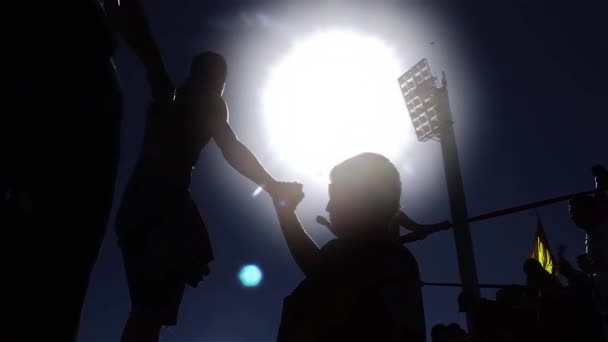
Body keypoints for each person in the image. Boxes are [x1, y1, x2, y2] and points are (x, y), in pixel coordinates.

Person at [2, 1, 172, 340]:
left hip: (64, 73)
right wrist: (155, 68)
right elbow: (125, 10)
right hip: (75, 80)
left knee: (59, 243)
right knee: (66, 244)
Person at [116, 51, 299, 342]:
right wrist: (272, 184)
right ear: (218, 79)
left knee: (145, 310)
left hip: (136, 203)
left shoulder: (170, 102)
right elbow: (232, 149)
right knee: (149, 312)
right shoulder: (207, 99)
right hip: (161, 204)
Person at [274, 153, 426, 341]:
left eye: (336, 196)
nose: (328, 207)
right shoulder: (399, 259)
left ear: (364, 201)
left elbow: (316, 265)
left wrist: (285, 211)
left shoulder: (361, 253)